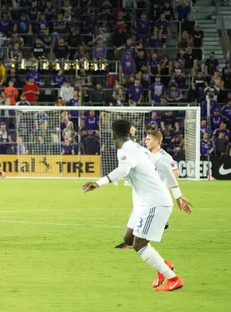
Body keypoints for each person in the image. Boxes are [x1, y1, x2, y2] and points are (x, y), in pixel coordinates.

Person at [82, 119, 193, 292]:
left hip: (154, 202)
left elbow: (124, 171)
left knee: (139, 244)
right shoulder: (139, 149)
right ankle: (164, 266)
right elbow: (164, 167)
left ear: (113, 135)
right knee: (128, 238)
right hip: (143, 202)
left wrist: (98, 183)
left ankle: (173, 279)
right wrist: (178, 195)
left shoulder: (128, 150)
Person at [115, 130, 183, 249]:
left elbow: (176, 172)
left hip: (155, 197)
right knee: (131, 228)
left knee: (139, 222)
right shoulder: (145, 154)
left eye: (148, 139)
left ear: (156, 141)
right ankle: (136, 240)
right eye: (145, 139)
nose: (145, 141)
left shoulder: (164, 157)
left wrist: (164, 188)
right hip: (143, 193)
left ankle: (142, 244)